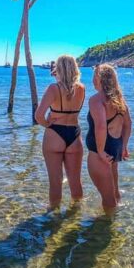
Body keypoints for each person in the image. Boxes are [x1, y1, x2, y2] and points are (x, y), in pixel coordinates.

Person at [35, 55, 86, 210]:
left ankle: (53, 217)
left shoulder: (53, 88)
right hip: (74, 134)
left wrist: (48, 123)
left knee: (55, 182)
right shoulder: (81, 89)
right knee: (75, 181)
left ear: (59, 69)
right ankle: (76, 217)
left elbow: (38, 116)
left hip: (54, 135)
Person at [86, 64, 132, 215]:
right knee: (114, 192)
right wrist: (124, 146)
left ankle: (106, 231)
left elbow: (100, 126)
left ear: (99, 79)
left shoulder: (97, 99)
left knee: (108, 200)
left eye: (94, 76)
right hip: (115, 147)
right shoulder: (119, 99)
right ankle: (115, 221)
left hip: (102, 151)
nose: (92, 80)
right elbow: (127, 124)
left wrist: (99, 151)